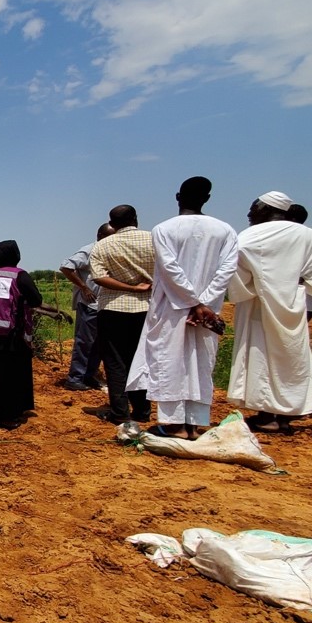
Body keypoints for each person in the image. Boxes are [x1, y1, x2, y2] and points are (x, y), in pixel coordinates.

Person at [227, 191, 312, 434]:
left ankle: (267, 416)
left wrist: (252, 283)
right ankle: (285, 417)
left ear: (266, 209)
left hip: (261, 303)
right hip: (294, 303)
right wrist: (311, 281)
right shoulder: (305, 234)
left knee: (262, 356)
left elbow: (233, 265)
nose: (249, 213)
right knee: (291, 355)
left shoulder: (252, 234)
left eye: (253, 208)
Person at [125, 177, 238, 438]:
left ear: (178, 197)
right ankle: (196, 424)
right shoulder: (225, 230)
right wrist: (205, 304)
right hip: (206, 312)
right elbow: (226, 270)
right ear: (207, 199)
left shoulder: (164, 229)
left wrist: (194, 303)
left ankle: (175, 425)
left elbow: (169, 268)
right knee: (201, 362)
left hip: (173, 309)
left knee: (170, 361)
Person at [0, 240, 68, 429]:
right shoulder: (19, 276)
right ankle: (8, 415)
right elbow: (35, 300)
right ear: (15, 256)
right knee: (10, 375)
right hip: (10, 335)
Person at [86, 204, 156, 425]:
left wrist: (130, 288)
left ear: (112, 224)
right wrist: (142, 288)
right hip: (147, 308)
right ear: (136, 218)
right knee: (142, 360)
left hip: (113, 308)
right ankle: (143, 410)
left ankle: (120, 412)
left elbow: (98, 277)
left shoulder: (103, 245)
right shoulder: (154, 240)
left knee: (115, 361)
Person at [59, 223, 114, 391]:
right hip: (90, 304)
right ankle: (75, 378)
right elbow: (66, 267)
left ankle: (89, 376)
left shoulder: (110, 251)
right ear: (101, 236)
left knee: (99, 343)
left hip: (105, 304)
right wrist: (84, 287)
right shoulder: (89, 250)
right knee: (84, 342)